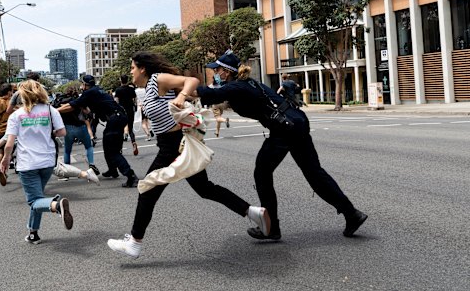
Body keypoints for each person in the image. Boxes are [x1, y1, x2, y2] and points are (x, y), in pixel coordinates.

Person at [107, 51, 270, 259]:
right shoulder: (148, 88)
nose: (130, 71)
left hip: (172, 147)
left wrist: (182, 95)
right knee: (204, 189)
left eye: (132, 67)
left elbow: (192, 80)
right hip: (173, 145)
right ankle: (252, 212)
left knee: (147, 189)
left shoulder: (158, 79)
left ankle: (135, 242)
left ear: (142, 69)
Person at [195, 51, 367, 240]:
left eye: (217, 70)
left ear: (226, 72)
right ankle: (352, 214)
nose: (215, 74)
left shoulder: (238, 86)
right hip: (296, 122)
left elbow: (210, 94)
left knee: (262, 173)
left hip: (284, 130)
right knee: (314, 173)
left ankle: (272, 227)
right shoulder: (248, 84)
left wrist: (181, 88)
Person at [0, 80, 73, 244]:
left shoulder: (16, 115)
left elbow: (10, 143)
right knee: (38, 198)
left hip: (27, 164)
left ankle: (56, 204)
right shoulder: (50, 110)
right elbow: (62, 132)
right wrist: (46, 132)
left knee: (34, 201)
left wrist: (5, 160)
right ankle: (33, 233)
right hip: (47, 161)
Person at [58, 75, 139, 188]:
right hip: (119, 117)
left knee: (113, 151)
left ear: (86, 85)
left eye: (82, 84)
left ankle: (131, 176)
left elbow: (72, 106)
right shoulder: (98, 90)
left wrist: (55, 111)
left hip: (115, 119)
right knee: (107, 144)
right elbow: (87, 110)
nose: (81, 86)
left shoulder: (89, 92)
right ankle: (112, 170)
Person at [52, 86, 100, 177]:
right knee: (88, 146)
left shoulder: (60, 101)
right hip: (80, 126)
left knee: (67, 150)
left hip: (67, 127)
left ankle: (67, 172)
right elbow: (87, 111)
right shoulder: (77, 100)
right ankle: (91, 164)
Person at [114, 74, 138, 155]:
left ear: (121, 80)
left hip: (122, 111)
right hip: (130, 110)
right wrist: (135, 106)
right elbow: (135, 99)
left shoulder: (118, 90)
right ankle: (134, 143)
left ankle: (120, 148)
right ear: (127, 80)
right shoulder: (131, 89)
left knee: (120, 130)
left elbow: (116, 101)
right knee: (130, 128)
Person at [206, 71, 230, 137]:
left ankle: (225, 120)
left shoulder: (211, 86)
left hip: (215, 104)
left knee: (218, 118)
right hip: (222, 104)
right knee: (219, 118)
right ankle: (217, 132)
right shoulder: (221, 86)